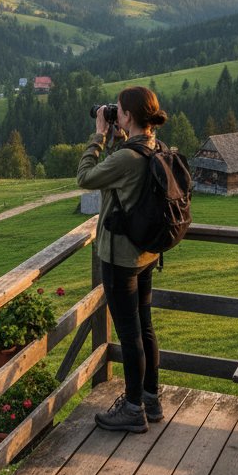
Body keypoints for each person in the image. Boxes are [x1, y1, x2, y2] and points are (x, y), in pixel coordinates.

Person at [77, 85, 167, 434]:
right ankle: (150, 399)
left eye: (117, 110)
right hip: (146, 253)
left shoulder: (127, 157)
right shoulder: (153, 147)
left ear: (127, 116)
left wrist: (98, 136)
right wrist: (118, 137)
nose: (113, 113)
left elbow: (86, 177)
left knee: (129, 334)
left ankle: (132, 409)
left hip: (120, 259)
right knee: (144, 326)